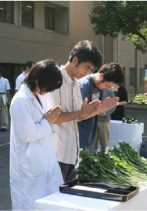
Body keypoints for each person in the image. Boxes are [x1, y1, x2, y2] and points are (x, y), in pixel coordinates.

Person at [44, 40, 105, 182]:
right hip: (57, 153)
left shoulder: (75, 83)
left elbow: (80, 116)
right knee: (55, 198)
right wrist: (80, 113)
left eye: (90, 70)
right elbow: (54, 118)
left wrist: (101, 108)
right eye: (87, 68)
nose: (87, 73)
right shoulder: (55, 80)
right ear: (75, 60)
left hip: (71, 152)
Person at [10, 59, 63, 210]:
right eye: (48, 87)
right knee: (28, 204)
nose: (48, 92)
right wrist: (47, 121)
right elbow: (27, 134)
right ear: (38, 79)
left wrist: (50, 119)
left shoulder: (38, 96)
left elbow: (43, 124)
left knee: (46, 202)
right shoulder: (20, 100)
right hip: (28, 164)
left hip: (43, 158)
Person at [78, 63, 124, 151]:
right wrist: (102, 108)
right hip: (79, 138)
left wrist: (103, 109)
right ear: (101, 76)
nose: (108, 89)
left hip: (89, 135)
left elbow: (94, 110)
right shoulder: (85, 86)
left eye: (111, 87)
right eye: (107, 85)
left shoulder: (99, 86)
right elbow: (79, 116)